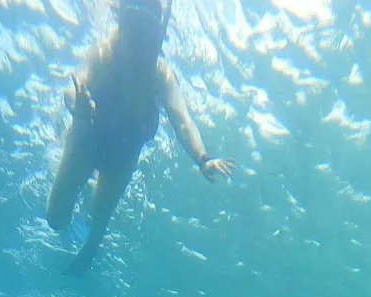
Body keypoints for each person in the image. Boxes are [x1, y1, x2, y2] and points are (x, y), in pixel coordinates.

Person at [46, 0, 235, 275]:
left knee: (98, 222)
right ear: (121, 23)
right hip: (88, 137)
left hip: (123, 154)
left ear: (158, 34)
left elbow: (182, 118)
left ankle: (90, 243)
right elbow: (71, 90)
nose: (139, 44)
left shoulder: (160, 74)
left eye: (146, 32)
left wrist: (202, 158)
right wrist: (78, 106)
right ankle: (80, 185)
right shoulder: (104, 55)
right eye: (134, 29)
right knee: (55, 220)